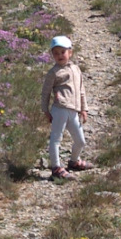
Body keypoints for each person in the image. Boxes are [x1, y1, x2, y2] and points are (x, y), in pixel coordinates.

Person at [41, 34, 91, 179]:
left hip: (74, 111)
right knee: (56, 139)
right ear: (52, 55)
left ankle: (74, 161)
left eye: (63, 52)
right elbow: (45, 93)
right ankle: (56, 167)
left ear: (70, 52)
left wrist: (84, 109)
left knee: (80, 140)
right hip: (60, 109)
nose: (59, 55)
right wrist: (45, 110)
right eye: (56, 53)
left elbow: (81, 90)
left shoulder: (76, 69)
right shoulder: (54, 72)